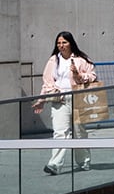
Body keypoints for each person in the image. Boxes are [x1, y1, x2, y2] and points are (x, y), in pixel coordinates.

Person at [34, 30, 99, 176]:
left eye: (64, 42)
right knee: (60, 132)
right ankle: (55, 164)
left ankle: (84, 161)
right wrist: (41, 101)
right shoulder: (53, 61)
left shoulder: (81, 59)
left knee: (79, 132)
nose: (61, 45)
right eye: (58, 43)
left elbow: (93, 76)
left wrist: (78, 75)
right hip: (59, 99)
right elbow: (47, 82)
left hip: (78, 98)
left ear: (71, 43)